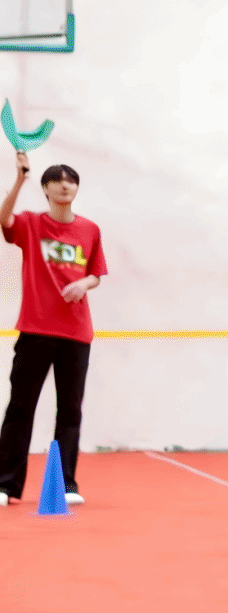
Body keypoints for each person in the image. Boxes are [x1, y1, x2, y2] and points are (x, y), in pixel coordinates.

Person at [0, 156, 105, 507]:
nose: (65, 185)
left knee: (70, 411)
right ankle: (6, 485)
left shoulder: (90, 230)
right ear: (45, 188)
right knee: (20, 407)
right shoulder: (31, 224)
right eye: (57, 180)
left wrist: (83, 284)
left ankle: (66, 484)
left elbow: (96, 273)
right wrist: (19, 180)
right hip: (35, 330)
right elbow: (4, 220)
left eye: (71, 180)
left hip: (76, 334)